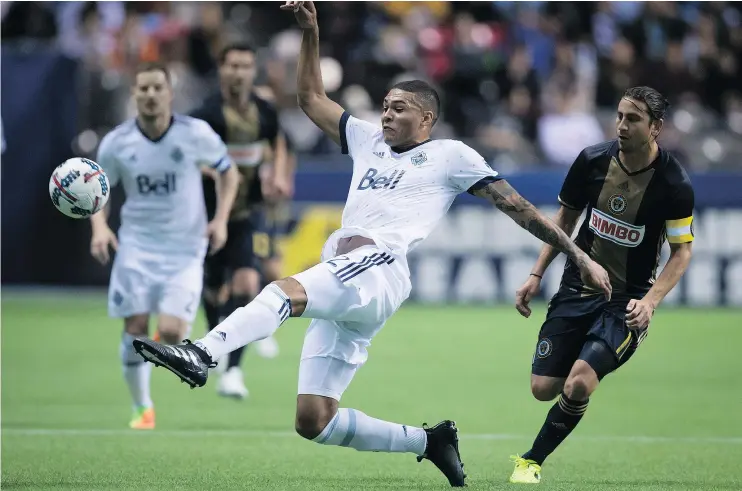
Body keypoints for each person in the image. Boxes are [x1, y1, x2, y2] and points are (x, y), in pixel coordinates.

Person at [133, 2, 610, 486]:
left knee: (283, 291)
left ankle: (204, 353)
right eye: (383, 106)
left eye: (398, 108)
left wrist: (577, 256)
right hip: (348, 276)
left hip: (379, 266)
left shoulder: (450, 156)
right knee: (313, 420)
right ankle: (429, 441)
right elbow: (309, 96)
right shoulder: (367, 139)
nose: (385, 114)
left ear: (426, 118)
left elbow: (521, 208)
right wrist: (311, 33)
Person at [509, 86, 694, 484]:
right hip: (578, 286)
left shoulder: (674, 184)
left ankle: (531, 461)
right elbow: (564, 222)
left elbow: (681, 253)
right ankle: (577, 387)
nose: (622, 126)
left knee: (578, 383)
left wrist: (650, 302)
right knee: (543, 388)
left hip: (627, 302)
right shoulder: (592, 160)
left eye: (634, 119)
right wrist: (536, 273)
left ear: (656, 127)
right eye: (620, 116)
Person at [92, 62, 239, 429]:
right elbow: (98, 190)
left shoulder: (194, 134)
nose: (151, 95)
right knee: (135, 327)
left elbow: (227, 170)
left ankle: (159, 338)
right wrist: (99, 227)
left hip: (185, 248)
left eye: (158, 88)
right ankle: (142, 407)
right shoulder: (117, 142)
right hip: (136, 247)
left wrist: (220, 219)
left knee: (173, 334)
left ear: (170, 93)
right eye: (143, 88)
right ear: (134, 94)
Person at [189, 43, 292, 399]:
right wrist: (217, 170)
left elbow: (278, 141)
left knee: (248, 284)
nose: (239, 72)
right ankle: (212, 338)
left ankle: (233, 371)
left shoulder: (264, 111)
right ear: (221, 70)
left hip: (247, 212)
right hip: (207, 215)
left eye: (246, 66)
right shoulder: (205, 115)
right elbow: (188, 156)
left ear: (253, 70)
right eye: (233, 65)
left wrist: (278, 174)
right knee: (214, 289)